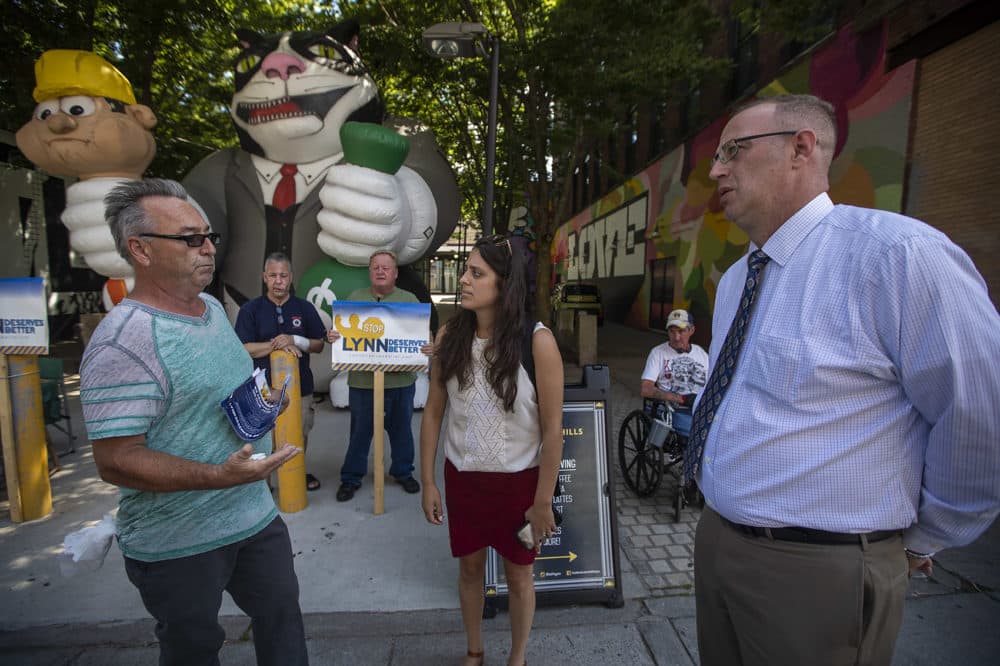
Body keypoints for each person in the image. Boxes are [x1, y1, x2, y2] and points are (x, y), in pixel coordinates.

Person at [691, 94, 1000, 665]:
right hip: (718, 543)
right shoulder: (737, 278)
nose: (715, 170)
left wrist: (919, 537)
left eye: (732, 150)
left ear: (800, 149)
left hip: (821, 572)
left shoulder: (898, 255)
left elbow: (980, 412)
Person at [79, 179, 308, 666]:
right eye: (190, 239)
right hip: (177, 543)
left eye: (209, 237)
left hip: (253, 515)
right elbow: (115, 460)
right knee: (194, 651)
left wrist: (261, 406)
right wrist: (215, 477)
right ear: (139, 249)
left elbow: (219, 392)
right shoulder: (123, 341)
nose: (208, 249)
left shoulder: (210, 310)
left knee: (283, 617)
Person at [419, 235, 564, 666]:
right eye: (465, 269)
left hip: (519, 485)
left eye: (475, 273)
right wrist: (428, 481)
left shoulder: (537, 343)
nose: (463, 279)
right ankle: (474, 651)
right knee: (468, 571)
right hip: (462, 479)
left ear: (506, 284)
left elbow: (554, 428)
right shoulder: (450, 336)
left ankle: (516, 659)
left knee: (520, 577)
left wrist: (543, 501)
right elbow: (432, 413)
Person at [332, 249, 427, 502]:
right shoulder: (354, 298)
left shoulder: (410, 301)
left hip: (401, 382)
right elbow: (343, 333)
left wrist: (427, 344)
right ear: (369, 272)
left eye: (386, 267)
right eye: (376, 267)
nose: (380, 271)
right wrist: (334, 335)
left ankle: (403, 472)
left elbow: (422, 338)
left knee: (402, 431)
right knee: (359, 432)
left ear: (395, 273)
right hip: (363, 382)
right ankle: (351, 477)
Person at [235, 252, 328, 490]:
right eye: (273, 275)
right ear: (265, 277)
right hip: (262, 390)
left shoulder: (304, 308)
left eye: (283, 275)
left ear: (291, 278)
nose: (278, 281)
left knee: (300, 433)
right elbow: (244, 349)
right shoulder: (250, 310)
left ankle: (296, 474)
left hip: (301, 388)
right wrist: (279, 345)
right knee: (264, 438)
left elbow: (318, 344)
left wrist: (295, 339)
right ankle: (263, 482)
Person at [640, 308, 708, 408]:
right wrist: (681, 399)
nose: (676, 337)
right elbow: (646, 389)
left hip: (700, 409)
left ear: (692, 330)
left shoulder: (701, 354)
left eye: (681, 331)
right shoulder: (658, 353)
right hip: (672, 410)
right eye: (672, 331)